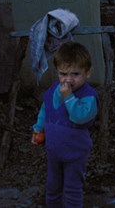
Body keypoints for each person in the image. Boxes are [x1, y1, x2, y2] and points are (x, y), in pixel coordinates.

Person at [32, 41, 99, 207]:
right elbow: (45, 109)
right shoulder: (53, 90)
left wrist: (69, 97)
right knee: (52, 186)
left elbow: (79, 117)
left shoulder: (89, 96)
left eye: (75, 74)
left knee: (72, 189)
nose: (68, 79)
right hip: (53, 150)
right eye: (63, 74)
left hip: (75, 152)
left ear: (88, 73)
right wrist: (38, 129)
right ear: (57, 72)